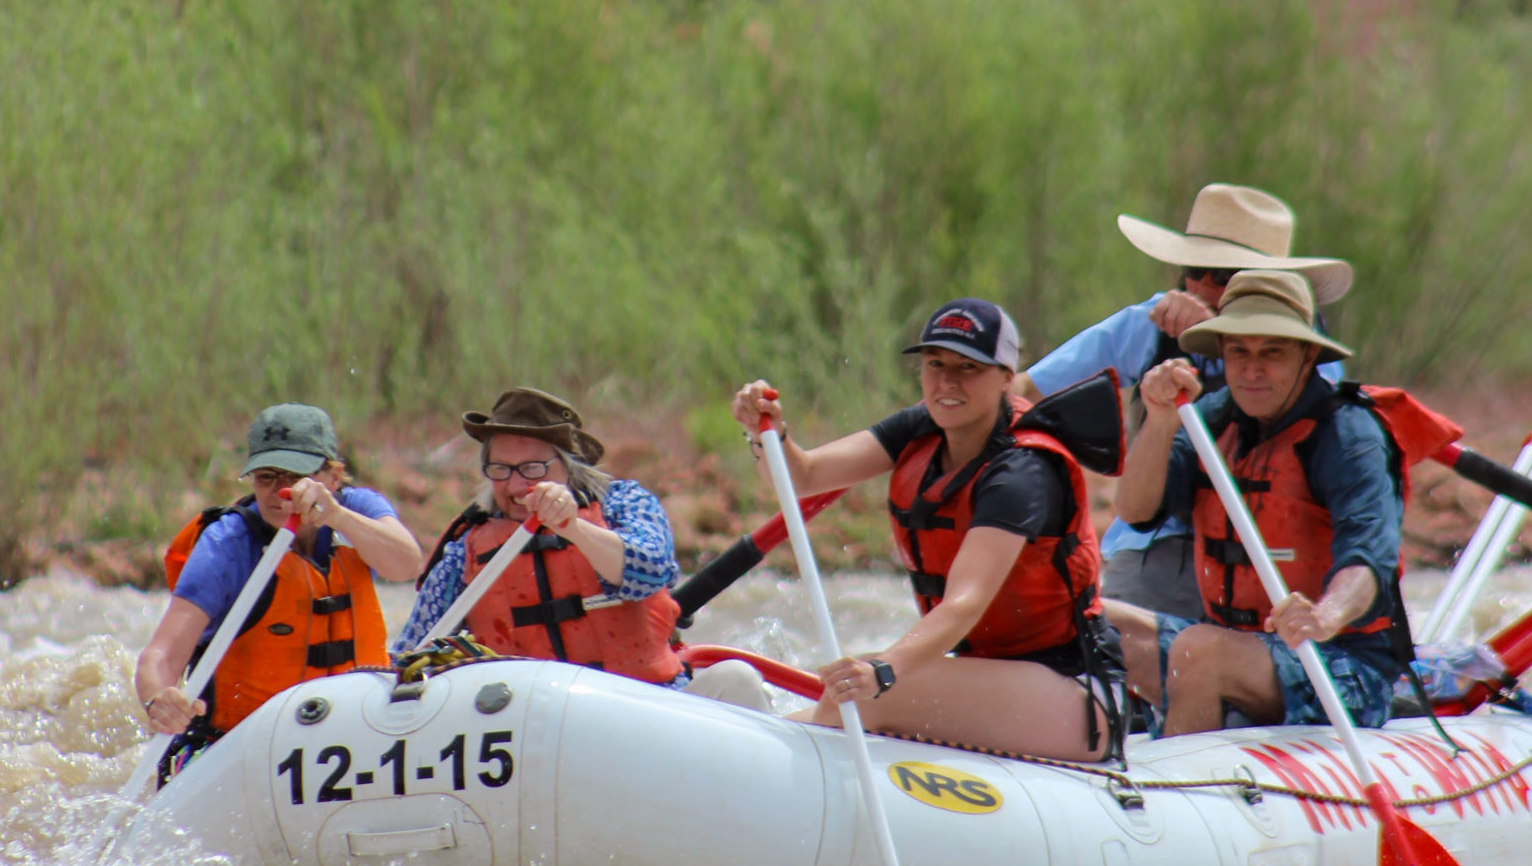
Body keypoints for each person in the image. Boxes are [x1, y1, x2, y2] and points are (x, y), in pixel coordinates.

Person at [731, 299, 1123, 761]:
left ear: (1005, 378)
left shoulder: (1022, 472)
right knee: (845, 702)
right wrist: (767, 435)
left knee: (864, 695)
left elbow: (965, 603)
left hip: (1075, 694)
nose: (947, 381)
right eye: (935, 364)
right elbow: (801, 477)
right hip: (991, 677)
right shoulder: (921, 426)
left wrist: (884, 669)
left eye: (968, 367)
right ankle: (743, 743)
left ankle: (756, 755)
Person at [1017, 184, 1352, 621]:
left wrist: (1221, 340)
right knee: (1110, 639)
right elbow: (1024, 392)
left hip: (1273, 547)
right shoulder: (1150, 324)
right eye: (1196, 269)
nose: (1205, 287)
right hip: (1160, 543)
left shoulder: (1311, 351)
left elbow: (1304, 417)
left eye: (1227, 275)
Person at [1108, 269, 1406, 736]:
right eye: (1239, 352)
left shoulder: (1349, 435)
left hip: (1341, 665)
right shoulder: (1211, 416)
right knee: (1095, 622)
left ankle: (1184, 790)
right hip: (1234, 646)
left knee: (1199, 651)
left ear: (1308, 356)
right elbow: (1135, 510)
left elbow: (1369, 561)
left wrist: (1323, 617)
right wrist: (1160, 421)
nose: (1252, 370)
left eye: (1272, 352)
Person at [136, 402, 422, 751]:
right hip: (242, 746)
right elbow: (160, 656)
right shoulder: (227, 545)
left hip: (351, 737)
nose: (280, 492)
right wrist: (158, 699)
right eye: (266, 477)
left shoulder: (355, 510)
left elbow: (407, 565)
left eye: (294, 477)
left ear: (333, 476)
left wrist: (336, 516)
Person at [398, 388, 683, 682]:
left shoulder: (624, 503)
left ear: (569, 468)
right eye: (501, 469)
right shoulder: (464, 550)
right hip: (527, 716)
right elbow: (411, 651)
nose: (516, 485)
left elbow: (650, 572)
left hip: (636, 700)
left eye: (532, 468)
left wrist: (571, 527)